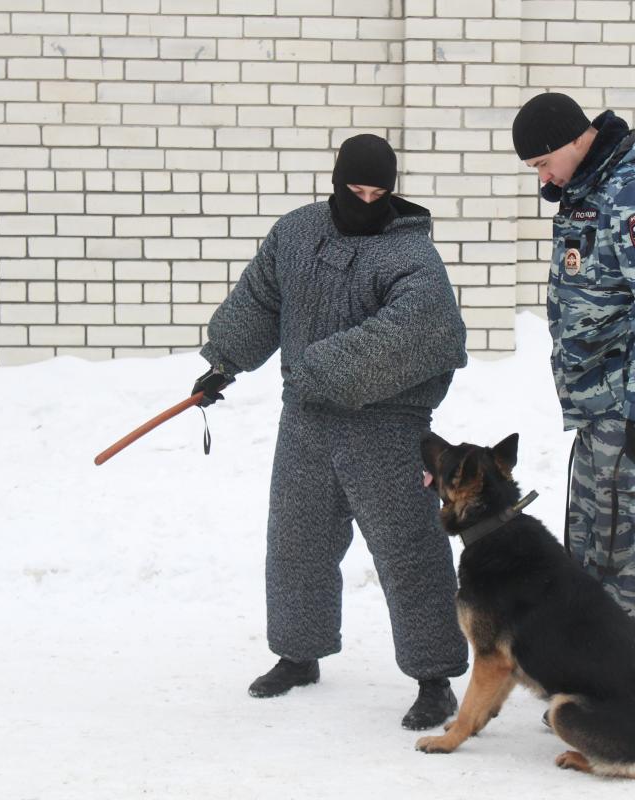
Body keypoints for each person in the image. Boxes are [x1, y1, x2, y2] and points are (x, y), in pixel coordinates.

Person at [191, 133, 469, 729]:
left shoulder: (412, 257)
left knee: (409, 552)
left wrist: (315, 369)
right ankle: (298, 654)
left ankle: (434, 678)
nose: (367, 200)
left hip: (387, 427)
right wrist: (223, 362)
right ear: (336, 181)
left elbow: (423, 332)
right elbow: (261, 301)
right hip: (307, 424)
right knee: (298, 541)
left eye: (379, 192)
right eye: (355, 189)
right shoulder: (297, 234)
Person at [511, 93, 635, 653]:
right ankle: (594, 678)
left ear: (575, 140)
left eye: (544, 164)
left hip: (632, 405)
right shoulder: (588, 188)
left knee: (631, 553)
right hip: (600, 402)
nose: (543, 179)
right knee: (592, 545)